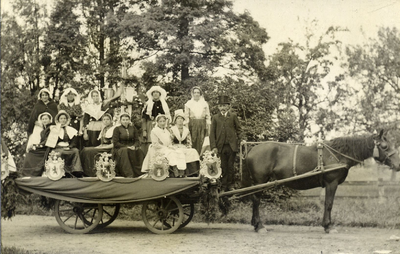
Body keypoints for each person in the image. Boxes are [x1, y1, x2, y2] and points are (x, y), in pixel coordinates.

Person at [210, 95, 241, 191]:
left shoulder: (233, 116)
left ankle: (231, 185)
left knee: (230, 166)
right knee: (222, 166)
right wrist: (214, 146)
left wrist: (240, 140)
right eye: (220, 106)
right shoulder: (215, 118)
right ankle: (223, 186)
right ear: (218, 107)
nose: (222, 108)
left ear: (228, 106)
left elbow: (239, 130)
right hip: (220, 146)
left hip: (231, 146)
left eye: (224, 106)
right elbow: (212, 134)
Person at [45, 110, 83, 176]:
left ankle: (76, 171)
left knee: (76, 151)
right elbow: (51, 142)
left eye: (64, 118)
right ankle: (61, 171)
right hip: (58, 147)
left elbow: (74, 141)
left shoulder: (71, 129)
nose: (63, 120)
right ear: (58, 120)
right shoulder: (54, 129)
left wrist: (70, 147)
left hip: (68, 147)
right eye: (61, 118)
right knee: (59, 153)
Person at [112, 113, 144, 177]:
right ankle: (129, 174)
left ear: (129, 120)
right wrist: (127, 147)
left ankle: (140, 172)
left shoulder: (133, 128)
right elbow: (115, 143)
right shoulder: (117, 129)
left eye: (127, 119)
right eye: (123, 120)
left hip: (132, 146)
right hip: (120, 148)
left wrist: (134, 146)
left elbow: (137, 140)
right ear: (120, 121)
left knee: (140, 151)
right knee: (125, 151)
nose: (125, 121)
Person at [170, 109, 200, 176]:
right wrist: (175, 147)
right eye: (178, 118)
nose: (180, 120)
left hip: (184, 147)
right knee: (178, 153)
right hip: (174, 148)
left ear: (183, 120)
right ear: (175, 120)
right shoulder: (172, 129)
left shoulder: (186, 130)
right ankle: (179, 173)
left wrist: (187, 147)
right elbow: (170, 141)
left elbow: (189, 141)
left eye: (181, 119)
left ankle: (193, 173)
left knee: (193, 151)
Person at [141, 86, 171, 151]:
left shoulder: (164, 104)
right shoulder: (148, 104)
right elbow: (144, 119)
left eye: (157, 92)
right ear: (151, 94)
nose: (155, 94)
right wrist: (144, 130)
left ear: (160, 94)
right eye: (153, 92)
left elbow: (167, 118)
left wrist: (167, 129)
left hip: (162, 126)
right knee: (151, 143)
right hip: (150, 125)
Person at [184, 86, 211, 155]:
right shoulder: (188, 103)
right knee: (193, 140)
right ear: (192, 94)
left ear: (200, 94)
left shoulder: (204, 103)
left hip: (202, 124)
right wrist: (186, 127)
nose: (196, 94)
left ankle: (202, 158)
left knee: (202, 141)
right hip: (192, 125)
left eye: (198, 93)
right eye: (195, 92)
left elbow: (208, 116)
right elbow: (186, 117)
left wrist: (208, 127)